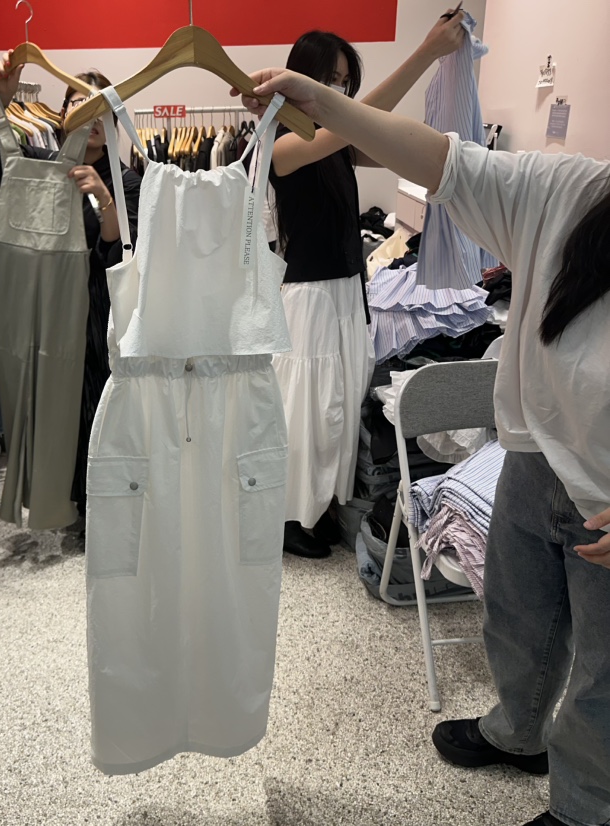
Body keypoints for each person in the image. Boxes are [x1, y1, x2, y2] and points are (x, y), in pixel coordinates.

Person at [235, 62, 610, 826]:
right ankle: (517, 730)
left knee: (604, 669)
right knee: (518, 613)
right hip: (530, 450)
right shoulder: (573, 191)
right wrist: (325, 100)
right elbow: (441, 159)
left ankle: (584, 806)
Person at [266, 14, 466, 558]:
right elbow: (354, 123)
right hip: (309, 295)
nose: (338, 92)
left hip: (346, 290)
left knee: (338, 403)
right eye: (328, 80)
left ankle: (319, 505)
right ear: (302, 77)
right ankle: (288, 515)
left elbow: (378, 134)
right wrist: (425, 53)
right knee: (307, 409)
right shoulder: (282, 142)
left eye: (343, 83)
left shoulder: (335, 145)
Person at [0, 53, 141, 525]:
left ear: (112, 120)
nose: (90, 115)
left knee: (95, 402)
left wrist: (103, 197)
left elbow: (122, 247)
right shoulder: (41, 164)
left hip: (99, 310)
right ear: (62, 114)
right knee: (51, 404)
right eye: (78, 103)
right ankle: (64, 497)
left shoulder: (126, 179)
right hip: (43, 306)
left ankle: (103, 501)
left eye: (99, 107)